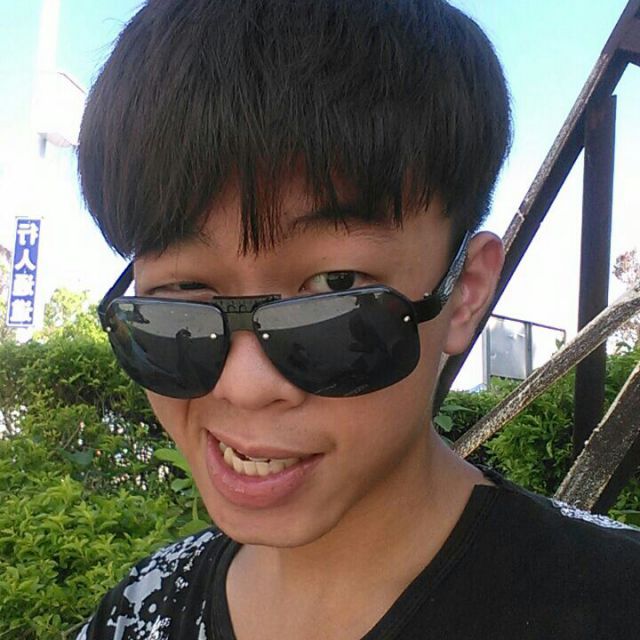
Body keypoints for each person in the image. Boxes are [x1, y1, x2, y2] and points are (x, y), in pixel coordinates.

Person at [76, 1, 640, 638]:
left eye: (336, 287)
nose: (246, 385)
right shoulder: (134, 614)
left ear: (465, 292)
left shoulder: (616, 602)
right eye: (182, 289)